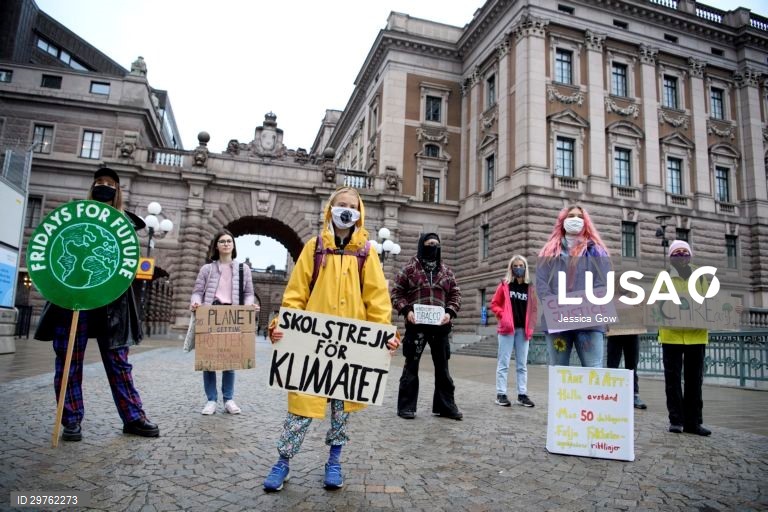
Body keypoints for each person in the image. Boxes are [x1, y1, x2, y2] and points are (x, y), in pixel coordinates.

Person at [262, 187, 398, 492]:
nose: (346, 210)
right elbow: (296, 294)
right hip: (312, 346)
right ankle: (283, 462)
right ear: (330, 209)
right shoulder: (314, 247)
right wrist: (281, 325)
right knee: (300, 408)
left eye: (352, 206)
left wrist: (383, 335)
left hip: (351, 348)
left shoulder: (367, 253)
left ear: (359, 213)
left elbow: (377, 300)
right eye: (341, 204)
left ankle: (334, 462)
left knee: (341, 411)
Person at [34, 166, 159, 441]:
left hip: (112, 303)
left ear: (118, 190)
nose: (105, 186)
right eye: (100, 182)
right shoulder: (74, 217)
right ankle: (70, 420)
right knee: (69, 359)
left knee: (119, 362)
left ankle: (133, 417)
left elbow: (127, 260)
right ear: (92, 187)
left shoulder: (125, 223)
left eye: (110, 183)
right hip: (73, 299)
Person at [392, 233, 463, 421]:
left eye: (437, 244)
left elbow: (455, 294)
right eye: (430, 243)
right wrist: (406, 310)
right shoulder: (409, 269)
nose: (434, 247)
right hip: (416, 327)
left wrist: (449, 312)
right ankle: (406, 407)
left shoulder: (446, 271)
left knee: (443, 369)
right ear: (422, 245)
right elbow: (396, 293)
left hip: (440, 327)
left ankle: (445, 407)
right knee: (411, 366)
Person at [190, 229, 258, 415]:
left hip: (233, 315)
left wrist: (248, 307)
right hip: (210, 314)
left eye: (229, 241)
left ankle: (228, 399)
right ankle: (211, 400)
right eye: (222, 241)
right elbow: (197, 291)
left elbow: (249, 293)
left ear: (233, 245)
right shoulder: (207, 269)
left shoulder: (243, 269)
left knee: (230, 359)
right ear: (216, 246)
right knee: (208, 360)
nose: (226, 244)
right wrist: (195, 302)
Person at [536, 205, 610, 367]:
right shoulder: (549, 252)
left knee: (593, 371)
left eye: (580, 216)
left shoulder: (597, 251)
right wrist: (555, 304)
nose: (575, 219)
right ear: (563, 221)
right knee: (559, 371)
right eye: (571, 216)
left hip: (589, 320)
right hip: (558, 319)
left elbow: (603, 281)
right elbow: (541, 283)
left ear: (585, 222)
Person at [657, 240, 711, 436]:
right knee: (672, 380)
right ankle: (676, 420)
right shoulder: (663, 276)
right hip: (671, 335)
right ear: (671, 257)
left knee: (694, 381)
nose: (681, 255)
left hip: (696, 336)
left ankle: (693, 423)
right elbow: (657, 301)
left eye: (684, 252)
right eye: (677, 252)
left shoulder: (701, 276)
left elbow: (711, 300)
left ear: (690, 255)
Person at [490, 255, 538, 408]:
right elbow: (494, 304)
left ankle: (522, 395)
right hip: (507, 330)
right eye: (515, 266)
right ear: (511, 268)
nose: (518, 268)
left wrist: (531, 325)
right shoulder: (505, 285)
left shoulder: (529, 287)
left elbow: (534, 308)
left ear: (525, 268)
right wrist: (503, 316)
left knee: (522, 365)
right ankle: (501, 394)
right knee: (503, 363)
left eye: (521, 266)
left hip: (523, 331)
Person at [606, 334, 647, 409]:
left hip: (632, 333)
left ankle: (634, 396)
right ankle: (610, 395)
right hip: (614, 333)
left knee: (632, 368)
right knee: (612, 368)